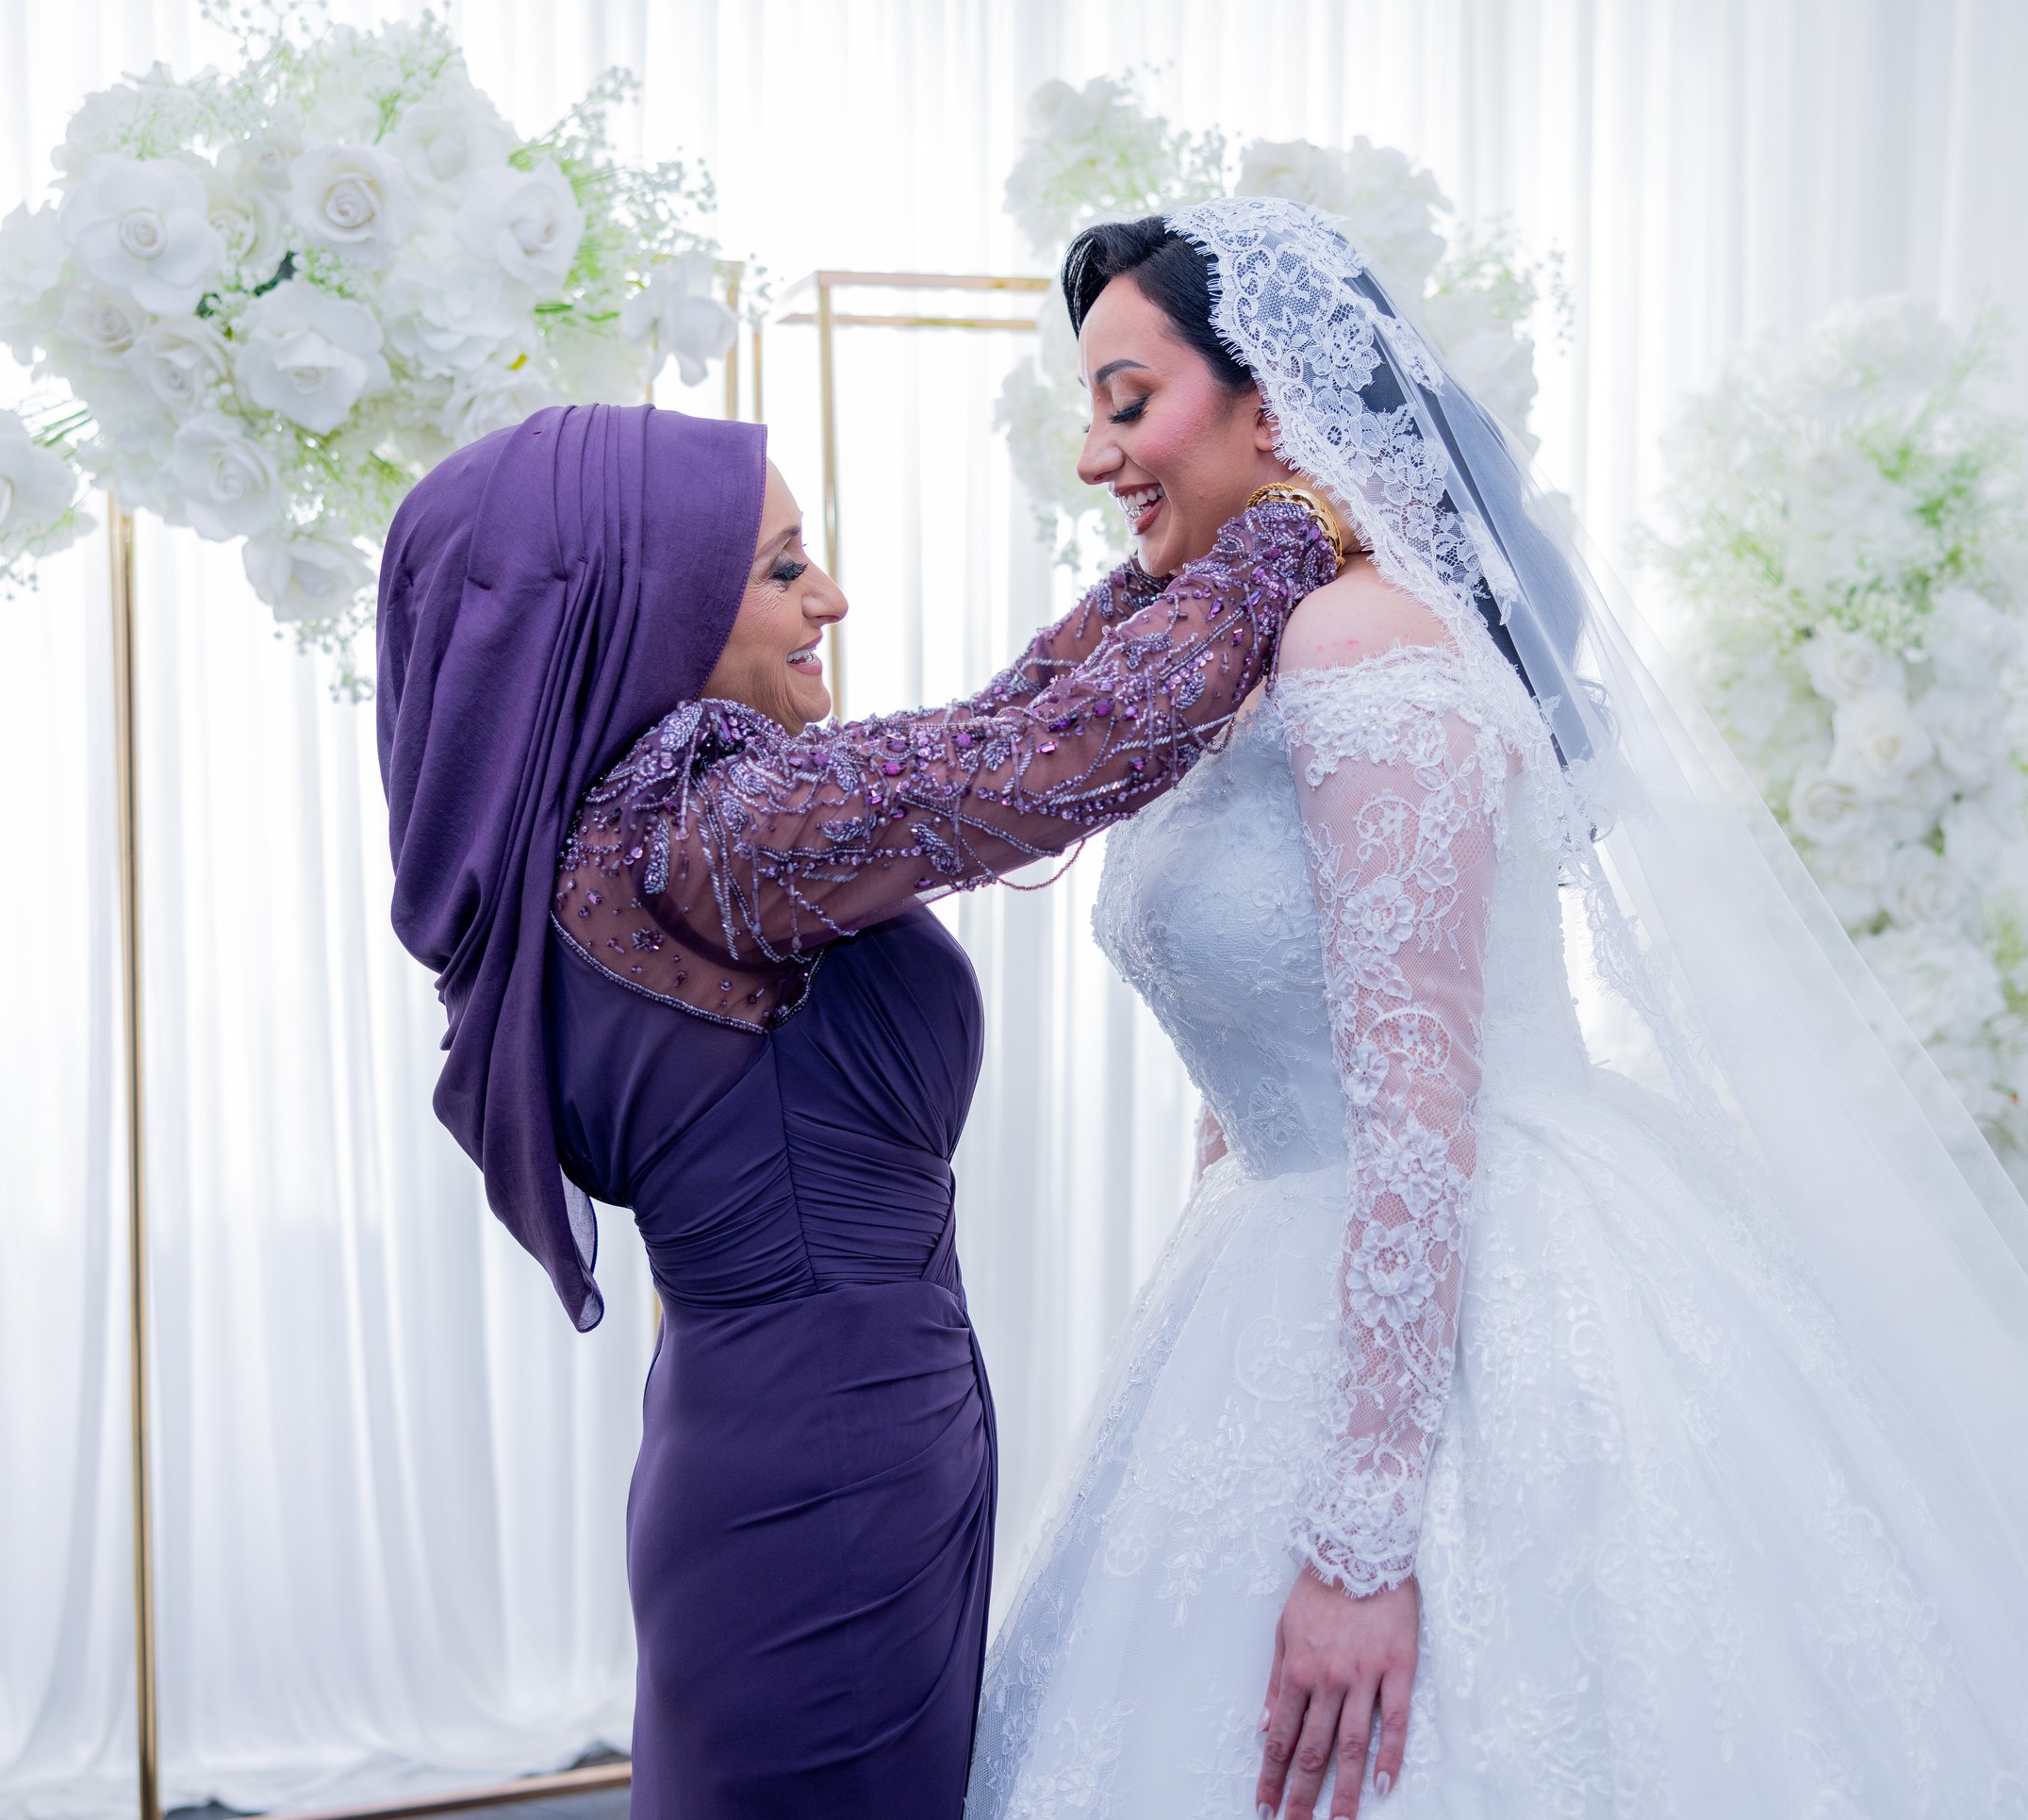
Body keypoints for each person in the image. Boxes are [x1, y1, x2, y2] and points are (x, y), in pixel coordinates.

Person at [967, 198, 2028, 1820]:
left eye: (1126, 397)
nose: (1096, 454)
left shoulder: (1361, 644)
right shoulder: (1237, 657)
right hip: (1282, 1275)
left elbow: (1421, 1099)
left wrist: (1369, 1542)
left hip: (1480, 1275)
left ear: (1273, 402)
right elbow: (1275, 1035)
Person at [373, 403, 1338, 1816]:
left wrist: (1165, 561)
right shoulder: (711, 842)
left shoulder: (667, 819)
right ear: (643, 606)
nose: (830, 596)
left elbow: (1001, 722)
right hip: (823, 1485)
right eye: (780, 568)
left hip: (822, 1437)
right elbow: (1071, 753)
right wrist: (1288, 531)